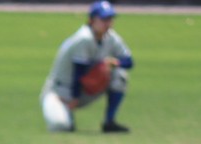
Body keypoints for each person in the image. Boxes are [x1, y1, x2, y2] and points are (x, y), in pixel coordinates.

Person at [40, 1, 135, 134]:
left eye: (110, 19)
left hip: (82, 90)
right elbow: (78, 72)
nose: (108, 23)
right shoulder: (84, 38)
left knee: (119, 75)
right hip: (58, 93)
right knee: (60, 126)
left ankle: (109, 122)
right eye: (103, 19)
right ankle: (66, 114)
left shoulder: (111, 37)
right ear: (91, 20)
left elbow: (129, 62)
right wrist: (74, 98)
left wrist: (114, 63)